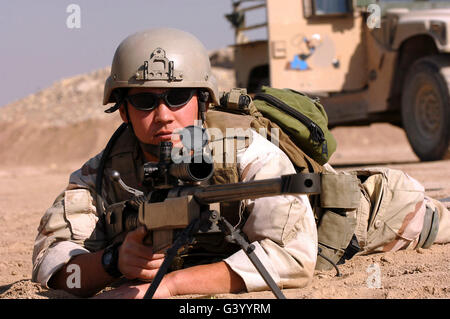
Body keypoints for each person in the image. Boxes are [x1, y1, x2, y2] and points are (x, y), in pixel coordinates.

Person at [32, 28, 318, 298]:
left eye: (178, 98)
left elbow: (292, 258)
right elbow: (53, 265)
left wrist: (171, 285)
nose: (163, 115)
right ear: (123, 111)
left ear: (202, 102)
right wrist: (112, 262)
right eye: (145, 101)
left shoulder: (248, 155)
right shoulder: (101, 173)